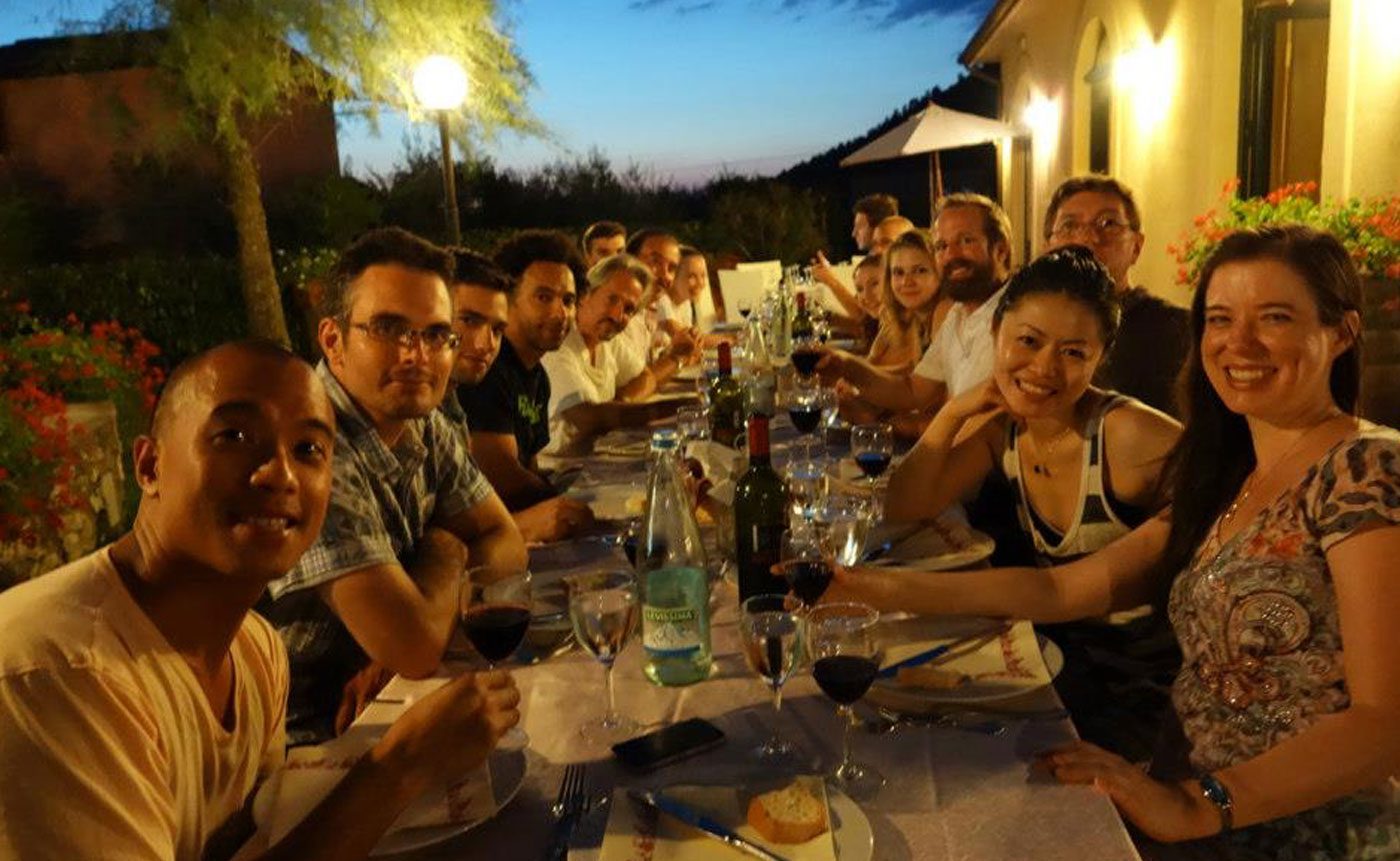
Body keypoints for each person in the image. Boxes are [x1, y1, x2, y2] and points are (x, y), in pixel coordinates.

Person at [834, 226, 1400, 858]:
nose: (1238, 342)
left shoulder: (1367, 468)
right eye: (1219, 318)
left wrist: (1196, 804)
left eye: (1274, 318)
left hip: (1302, 831)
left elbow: (1384, 722)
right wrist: (860, 587)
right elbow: (1062, 586)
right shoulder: (1231, 473)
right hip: (1192, 795)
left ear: (1342, 333)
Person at [0, 341, 521, 861]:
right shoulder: (61, 675)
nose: (280, 474)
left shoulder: (257, 652)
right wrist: (399, 768)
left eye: (309, 450)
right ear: (150, 465)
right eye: (234, 436)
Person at [885, 245, 1182, 757]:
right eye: (1028, 340)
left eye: (1072, 352)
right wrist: (953, 412)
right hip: (1061, 658)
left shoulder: (1128, 435)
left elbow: (1224, 500)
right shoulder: (1005, 429)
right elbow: (906, 506)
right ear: (995, 334)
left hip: (1146, 693)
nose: (1044, 368)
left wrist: (876, 590)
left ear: (1099, 358)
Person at [262, 227, 527, 746]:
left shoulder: (421, 419)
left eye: (435, 334)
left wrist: (408, 618)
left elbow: (506, 540)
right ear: (333, 340)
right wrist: (449, 544)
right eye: (390, 329)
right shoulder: (307, 454)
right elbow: (415, 648)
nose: (417, 356)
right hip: (305, 742)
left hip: (393, 699)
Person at [448, 234, 594, 543]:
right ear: (510, 300)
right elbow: (501, 473)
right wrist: (570, 501)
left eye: (568, 300)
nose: (560, 313)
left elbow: (528, 464)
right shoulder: (481, 370)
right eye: (543, 297)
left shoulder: (537, 376)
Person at [818, 194, 1014, 419]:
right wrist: (844, 364)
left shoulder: (1015, 319)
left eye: (966, 240)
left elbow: (979, 427)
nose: (951, 255)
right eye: (941, 246)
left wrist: (883, 424)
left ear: (1001, 250)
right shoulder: (958, 315)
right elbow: (913, 391)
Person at [1044, 175, 1190, 417]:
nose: (1087, 238)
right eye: (1069, 226)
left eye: (1108, 223)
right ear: (1047, 247)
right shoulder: (1032, 327)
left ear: (1137, 246)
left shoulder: (1178, 331)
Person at [541, 253, 689, 454]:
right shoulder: (560, 344)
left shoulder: (607, 341)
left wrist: (621, 403)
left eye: (629, 309)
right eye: (612, 300)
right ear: (585, 295)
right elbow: (588, 418)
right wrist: (682, 407)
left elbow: (645, 377)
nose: (618, 315)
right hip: (561, 472)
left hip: (594, 458)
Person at [656, 245, 720, 335]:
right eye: (692, 276)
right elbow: (688, 338)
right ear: (673, 276)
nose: (701, 283)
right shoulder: (661, 300)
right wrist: (733, 338)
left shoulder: (685, 303)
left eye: (703, 275)